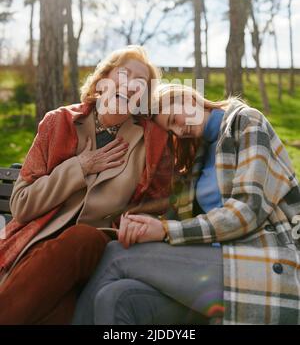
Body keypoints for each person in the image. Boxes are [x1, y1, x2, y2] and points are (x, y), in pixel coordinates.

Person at [73, 83, 300, 325]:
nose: (179, 132)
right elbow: (176, 221)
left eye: (173, 119)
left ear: (187, 98)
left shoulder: (245, 121)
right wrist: (140, 225)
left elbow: (247, 211)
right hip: (217, 268)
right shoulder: (200, 157)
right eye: (171, 130)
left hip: (266, 267)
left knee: (117, 255)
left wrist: (165, 230)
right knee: (116, 297)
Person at [0, 46, 172, 325]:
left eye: (140, 84)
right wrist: (80, 167)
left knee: (82, 238)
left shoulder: (151, 142)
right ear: (104, 78)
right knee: (57, 313)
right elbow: (21, 204)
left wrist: (138, 223)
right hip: (38, 247)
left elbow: (156, 206)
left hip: (100, 250)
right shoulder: (58, 123)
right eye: (124, 74)